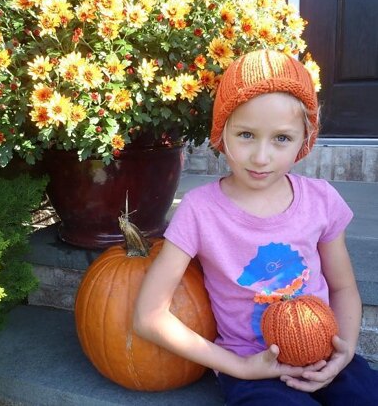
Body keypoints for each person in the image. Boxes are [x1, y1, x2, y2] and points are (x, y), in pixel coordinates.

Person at [133, 49, 378, 405]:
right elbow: (148, 317)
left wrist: (344, 352)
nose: (261, 157)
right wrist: (240, 367)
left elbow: (343, 289)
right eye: (246, 134)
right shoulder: (200, 211)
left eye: (281, 138)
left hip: (326, 356)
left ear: (304, 139)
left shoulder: (321, 201)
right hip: (252, 371)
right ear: (222, 132)